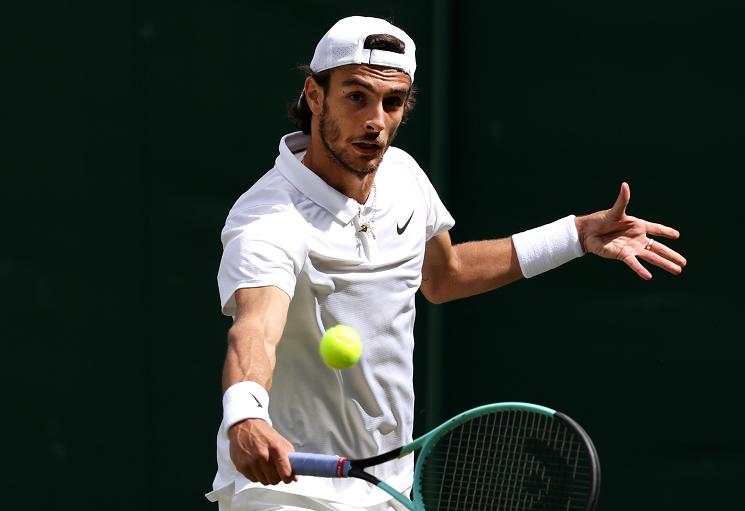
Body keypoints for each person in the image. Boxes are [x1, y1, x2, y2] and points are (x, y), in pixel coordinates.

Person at [206, 16, 686, 511]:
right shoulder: (267, 218)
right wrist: (246, 416)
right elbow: (255, 328)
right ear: (314, 94)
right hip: (286, 492)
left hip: (384, 485)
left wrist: (576, 235)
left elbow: (443, 275)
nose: (376, 120)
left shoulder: (404, 176)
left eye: (393, 102)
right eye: (356, 97)